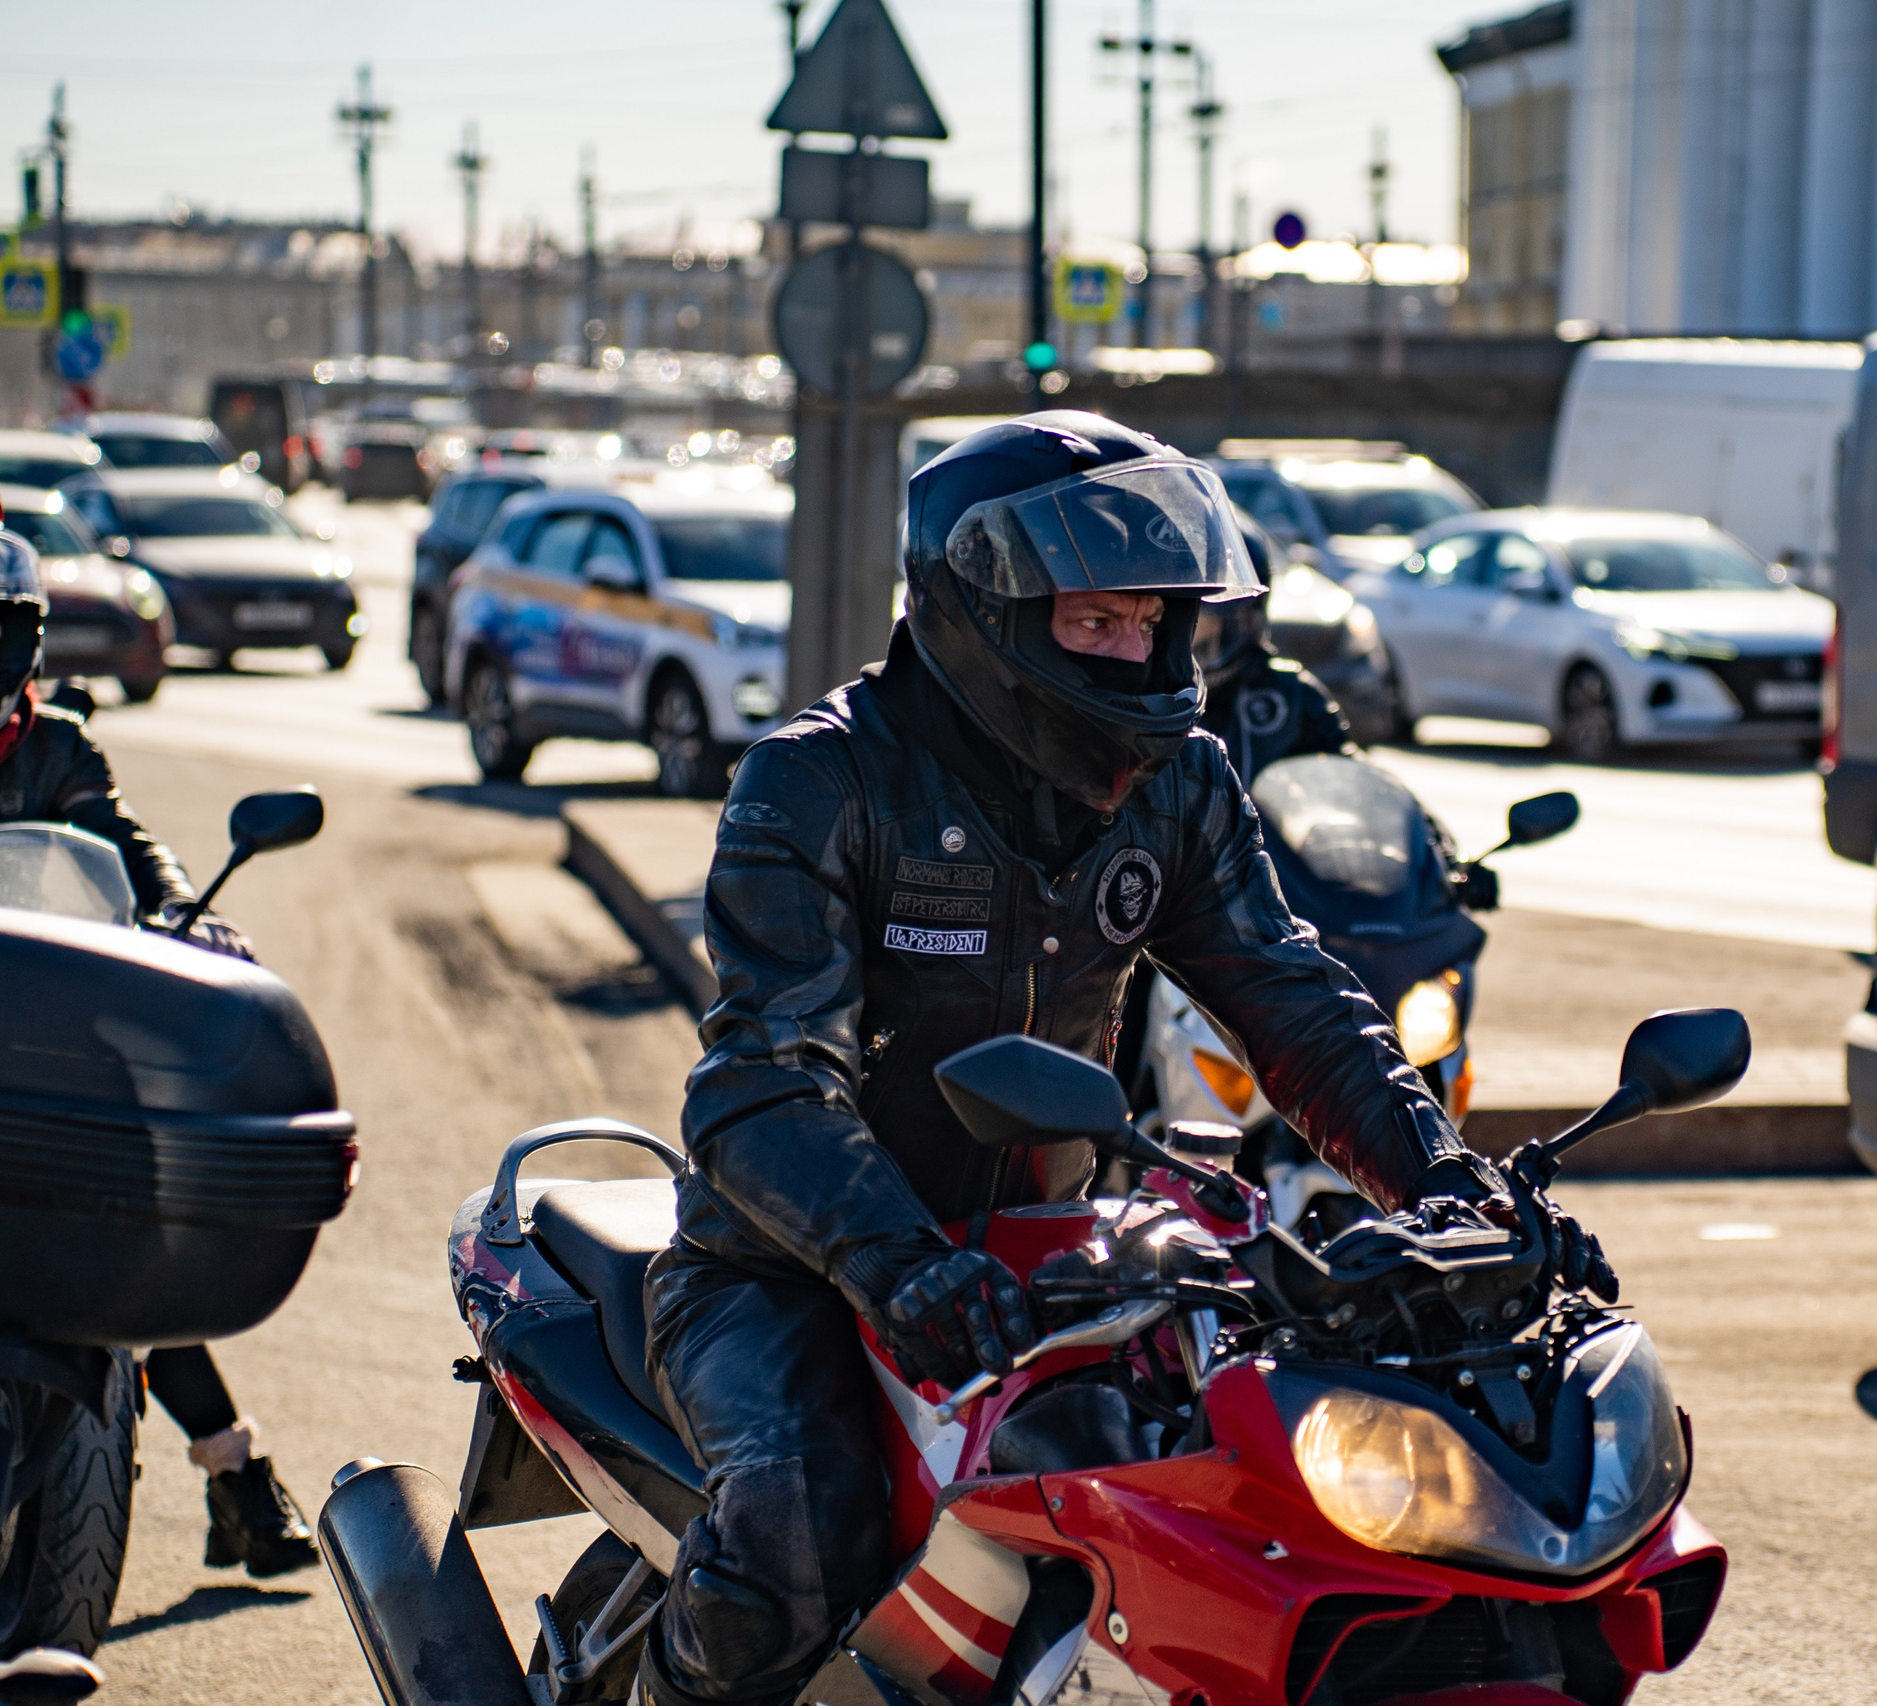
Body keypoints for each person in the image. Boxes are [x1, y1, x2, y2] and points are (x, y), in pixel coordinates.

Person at [640, 412, 1612, 1706]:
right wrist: (900, 1261)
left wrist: (1447, 1184)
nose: (1138, 651)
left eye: (1153, 621)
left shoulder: (1179, 782)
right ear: (985, 609)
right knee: (797, 1533)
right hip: (785, 1266)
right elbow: (761, 1085)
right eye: (1097, 619)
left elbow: (1294, 998)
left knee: (1222, 1512)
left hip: (1061, 1254)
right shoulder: (819, 782)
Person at [0, 487, 317, 1580]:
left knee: (112, 1235)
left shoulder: (58, 745)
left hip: (36, 1033)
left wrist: (190, 914)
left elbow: (120, 841)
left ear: (21, 635)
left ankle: (232, 1465)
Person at [1191, 520, 1353, 781]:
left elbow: (1347, 784)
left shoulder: (1291, 695)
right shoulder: (1142, 692)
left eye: (1228, 618)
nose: (1196, 629)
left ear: (1252, 618)